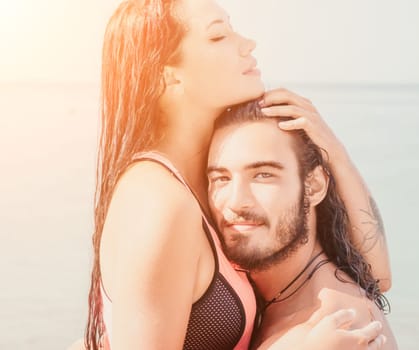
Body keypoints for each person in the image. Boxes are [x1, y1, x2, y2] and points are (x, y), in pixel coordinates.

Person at [82, 0, 391, 349]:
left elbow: (376, 275)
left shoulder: (209, 178)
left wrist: (331, 148)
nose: (247, 44)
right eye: (218, 36)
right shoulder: (159, 201)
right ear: (169, 75)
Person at [207, 101, 397, 349]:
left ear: (315, 186)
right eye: (221, 178)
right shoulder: (272, 296)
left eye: (263, 174)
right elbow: (379, 278)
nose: (236, 201)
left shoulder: (343, 328)